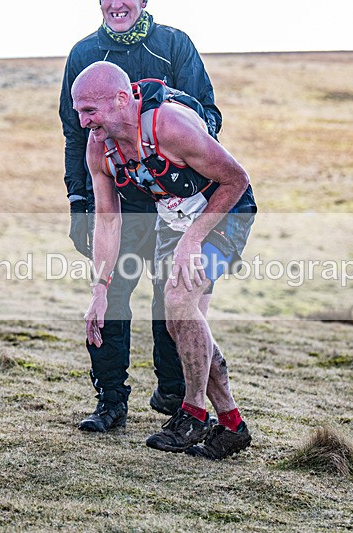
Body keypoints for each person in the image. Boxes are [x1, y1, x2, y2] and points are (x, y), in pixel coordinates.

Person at [75, 61, 257, 459]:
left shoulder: (168, 126)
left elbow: (236, 179)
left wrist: (193, 239)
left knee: (177, 303)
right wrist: (100, 290)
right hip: (173, 220)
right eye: (78, 111)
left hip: (223, 212)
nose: (83, 120)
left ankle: (193, 413)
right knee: (182, 321)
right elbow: (106, 220)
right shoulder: (99, 148)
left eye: (90, 110)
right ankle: (231, 425)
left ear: (122, 100)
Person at [59, 0, 223, 432]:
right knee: (109, 294)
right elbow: (76, 134)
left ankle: (173, 394)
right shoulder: (83, 54)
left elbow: (209, 116)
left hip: (173, 201)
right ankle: (110, 401)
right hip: (118, 201)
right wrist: (80, 204)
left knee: (168, 298)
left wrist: (163, 143)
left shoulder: (174, 45)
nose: (117, 3)